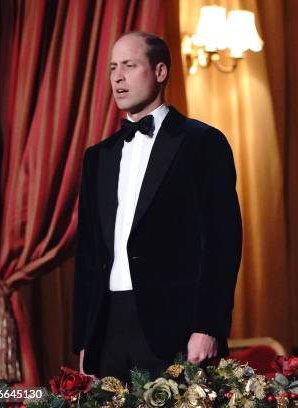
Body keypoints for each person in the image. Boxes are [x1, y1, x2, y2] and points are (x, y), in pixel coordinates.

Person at [72, 31, 242, 381]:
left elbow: (222, 243)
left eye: (130, 66)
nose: (117, 77)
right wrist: (85, 338)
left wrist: (208, 325)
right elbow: (88, 255)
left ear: (160, 72)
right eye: (113, 68)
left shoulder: (202, 143)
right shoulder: (97, 158)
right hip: (108, 331)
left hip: (175, 327)